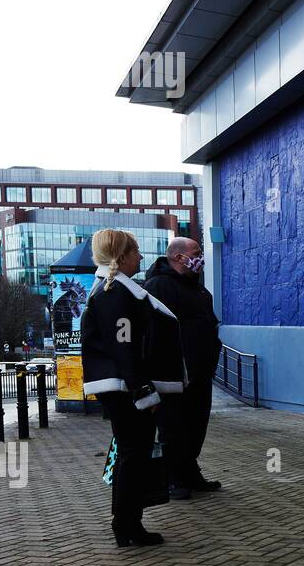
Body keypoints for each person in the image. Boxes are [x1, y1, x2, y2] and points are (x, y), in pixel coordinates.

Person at [80, 230, 186, 546]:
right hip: (127, 391)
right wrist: (144, 393)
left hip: (124, 388)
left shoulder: (112, 291)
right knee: (133, 456)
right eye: (135, 250)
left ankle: (127, 523)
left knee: (132, 455)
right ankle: (127, 526)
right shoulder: (115, 294)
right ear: (122, 256)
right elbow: (124, 349)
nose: (141, 256)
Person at [144, 238, 222, 498]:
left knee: (196, 426)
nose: (201, 258)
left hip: (200, 373)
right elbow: (155, 332)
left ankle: (190, 472)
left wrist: (211, 360)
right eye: (197, 253)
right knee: (173, 427)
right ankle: (174, 478)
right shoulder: (159, 286)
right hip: (175, 376)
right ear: (178, 257)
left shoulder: (199, 291)